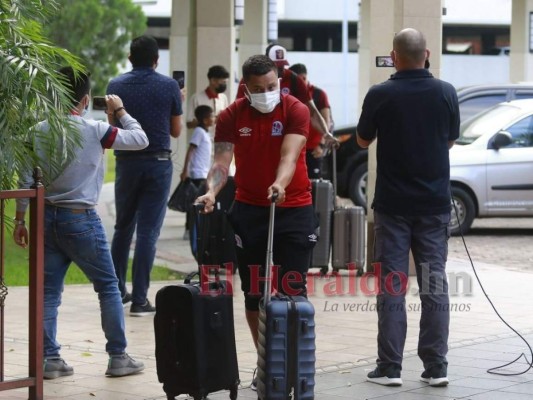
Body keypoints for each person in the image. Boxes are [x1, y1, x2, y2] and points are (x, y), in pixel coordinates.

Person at [13, 67, 148, 379]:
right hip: (81, 219)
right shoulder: (95, 129)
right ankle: (118, 356)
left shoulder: (38, 130)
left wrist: (20, 219)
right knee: (108, 287)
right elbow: (140, 139)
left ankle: (50, 360)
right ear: (86, 99)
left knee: (48, 292)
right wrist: (121, 110)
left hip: (46, 218)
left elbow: (24, 178)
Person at [196, 54, 318, 391]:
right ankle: (267, 364)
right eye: (258, 89)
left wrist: (279, 184)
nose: (266, 93)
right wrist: (212, 191)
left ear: (279, 81)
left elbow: (289, 156)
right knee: (255, 293)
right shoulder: (232, 115)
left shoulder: (295, 109)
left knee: (293, 291)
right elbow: (222, 161)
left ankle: (294, 365)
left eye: (271, 86)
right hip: (249, 210)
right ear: (245, 89)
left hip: (293, 208)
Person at [356, 28, 460, 387]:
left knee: (392, 286)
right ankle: (436, 366)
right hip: (433, 205)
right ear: (427, 54)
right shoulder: (446, 92)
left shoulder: (381, 93)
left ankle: (389, 367)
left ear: (394, 57)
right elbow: (449, 139)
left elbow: (361, 138)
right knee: (434, 284)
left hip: (393, 206)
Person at [107, 35, 183, 316]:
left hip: (127, 163)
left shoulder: (115, 85)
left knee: (123, 228)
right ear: (156, 60)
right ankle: (140, 300)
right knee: (148, 232)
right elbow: (176, 131)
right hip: (158, 163)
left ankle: (115, 292)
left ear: (130, 58)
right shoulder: (170, 86)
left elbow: (112, 127)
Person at [236, 44, 337, 151]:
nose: (280, 69)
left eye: (282, 65)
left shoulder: (294, 79)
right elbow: (239, 110)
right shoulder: (250, 79)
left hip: (284, 137)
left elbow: (312, 112)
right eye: (276, 66)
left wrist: (326, 133)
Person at [289, 63, 333, 179]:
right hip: (293, 148)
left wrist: (321, 145)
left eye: (302, 79)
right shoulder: (290, 93)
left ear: (304, 78)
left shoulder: (319, 94)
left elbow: (326, 120)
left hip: (313, 149)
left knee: (313, 183)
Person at [186, 65, 230, 135]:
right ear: (213, 81)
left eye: (225, 82)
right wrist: (207, 120)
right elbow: (189, 124)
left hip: (220, 140)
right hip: (203, 141)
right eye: (222, 82)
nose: (224, 85)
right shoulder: (196, 98)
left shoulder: (223, 98)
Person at [181, 105, 215, 185]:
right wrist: (185, 170)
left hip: (204, 173)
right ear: (205, 120)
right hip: (198, 173)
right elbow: (190, 150)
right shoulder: (199, 131)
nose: (214, 118)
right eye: (212, 116)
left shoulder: (205, 133)